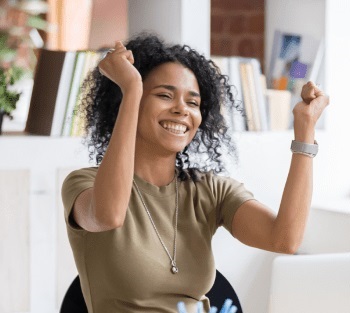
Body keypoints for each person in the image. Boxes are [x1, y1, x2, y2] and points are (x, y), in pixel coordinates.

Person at [61, 33, 329, 313]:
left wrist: (305, 130)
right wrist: (131, 88)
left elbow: (284, 239)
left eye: (193, 102)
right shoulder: (84, 183)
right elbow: (108, 214)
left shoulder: (209, 189)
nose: (180, 109)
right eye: (164, 95)